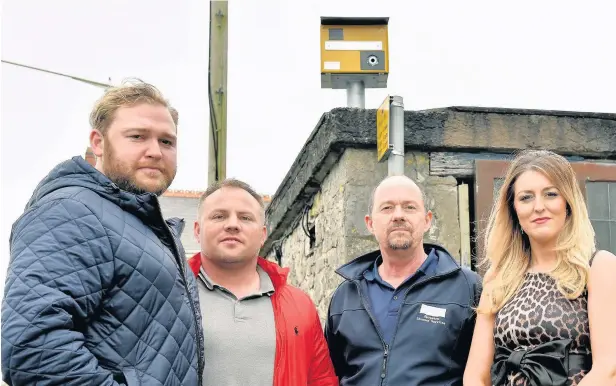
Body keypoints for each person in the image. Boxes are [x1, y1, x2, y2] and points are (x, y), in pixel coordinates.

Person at [1, 80, 204, 386]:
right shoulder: (71, 211)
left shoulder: (143, 226)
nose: (155, 152)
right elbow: (32, 346)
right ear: (98, 143)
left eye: (167, 142)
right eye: (137, 137)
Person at [463, 150, 616, 386]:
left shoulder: (598, 267)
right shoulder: (499, 277)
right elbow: (475, 376)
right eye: (526, 197)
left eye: (550, 194)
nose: (539, 207)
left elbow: (608, 370)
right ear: (513, 209)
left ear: (568, 202)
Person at [325, 175, 482, 385]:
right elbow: (329, 374)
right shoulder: (345, 296)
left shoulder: (466, 287)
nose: (398, 215)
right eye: (387, 208)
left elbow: (483, 372)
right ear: (370, 223)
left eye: (409, 207)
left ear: (427, 220)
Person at [187, 178, 338, 386]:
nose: (232, 225)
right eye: (219, 216)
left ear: (263, 235)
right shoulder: (169, 297)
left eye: (245, 218)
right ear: (197, 230)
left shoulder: (300, 306)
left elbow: (322, 380)